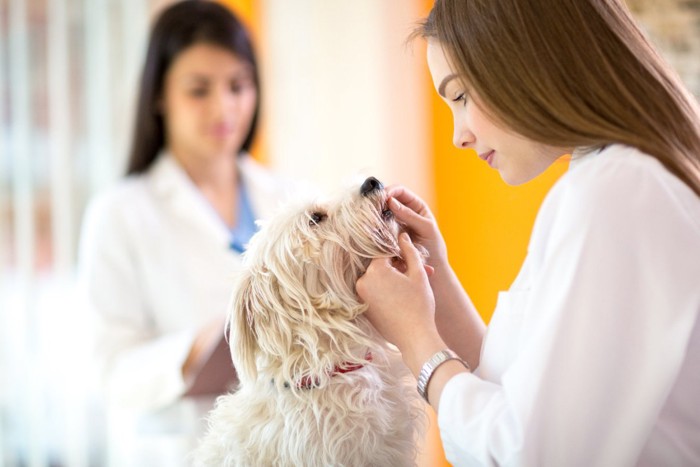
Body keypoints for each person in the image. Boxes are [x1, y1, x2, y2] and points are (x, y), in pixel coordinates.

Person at [356, 1, 700, 466]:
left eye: (460, 97)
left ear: (524, 60)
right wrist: (435, 278)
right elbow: (520, 390)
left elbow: (536, 453)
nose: (458, 136)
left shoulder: (614, 192)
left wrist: (416, 338)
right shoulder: (610, 182)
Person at [77, 1, 304, 464]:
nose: (224, 107)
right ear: (159, 95)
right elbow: (110, 373)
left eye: (238, 86)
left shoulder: (293, 198)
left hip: (293, 444)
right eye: (199, 90)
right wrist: (197, 349)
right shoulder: (119, 214)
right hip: (185, 451)